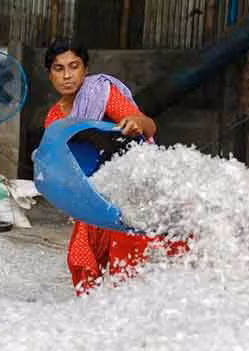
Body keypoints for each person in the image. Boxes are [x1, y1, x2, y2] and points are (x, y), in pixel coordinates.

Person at [43, 38, 183, 295]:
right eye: (58, 68)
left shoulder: (101, 94)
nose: (67, 75)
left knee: (127, 261)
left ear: (85, 70)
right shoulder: (54, 118)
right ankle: (95, 316)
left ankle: (127, 315)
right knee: (81, 258)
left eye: (74, 66)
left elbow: (149, 125)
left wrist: (136, 122)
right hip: (91, 195)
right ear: (50, 74)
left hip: (127, 187)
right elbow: (59, 164)